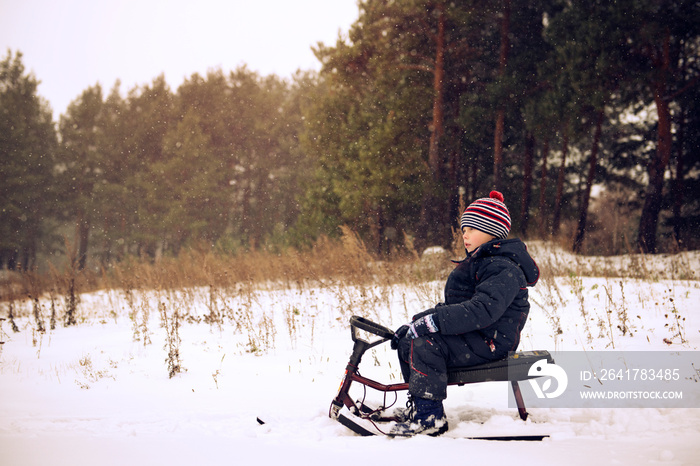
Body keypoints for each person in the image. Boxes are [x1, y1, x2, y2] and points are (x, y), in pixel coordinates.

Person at [390, 191, 539, 437]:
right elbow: (460, 306)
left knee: (426, 343)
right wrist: (418, 321)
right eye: (463, 229)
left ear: (492, 231)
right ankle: (420, 405)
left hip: (491, 341)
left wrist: (433, 323)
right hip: (477, 335)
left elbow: (481, 311)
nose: (465, 235)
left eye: (471, 228)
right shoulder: (484, 261)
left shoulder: (503, 268)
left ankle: (430, 419)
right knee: (410, 340)